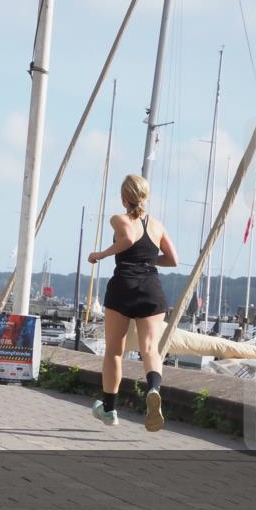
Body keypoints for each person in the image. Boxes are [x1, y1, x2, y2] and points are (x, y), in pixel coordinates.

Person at [88, 174, 178, 432]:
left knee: (115, 351)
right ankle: (153, 389)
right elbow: (173, 259)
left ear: (123, 197)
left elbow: (127, 239)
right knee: (149, 349)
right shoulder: (157, 225)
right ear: (145, 196)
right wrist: (148, 260)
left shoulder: (118, 219)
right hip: (151, 289)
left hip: (123, 287)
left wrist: (99, 255)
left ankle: (109, 410)